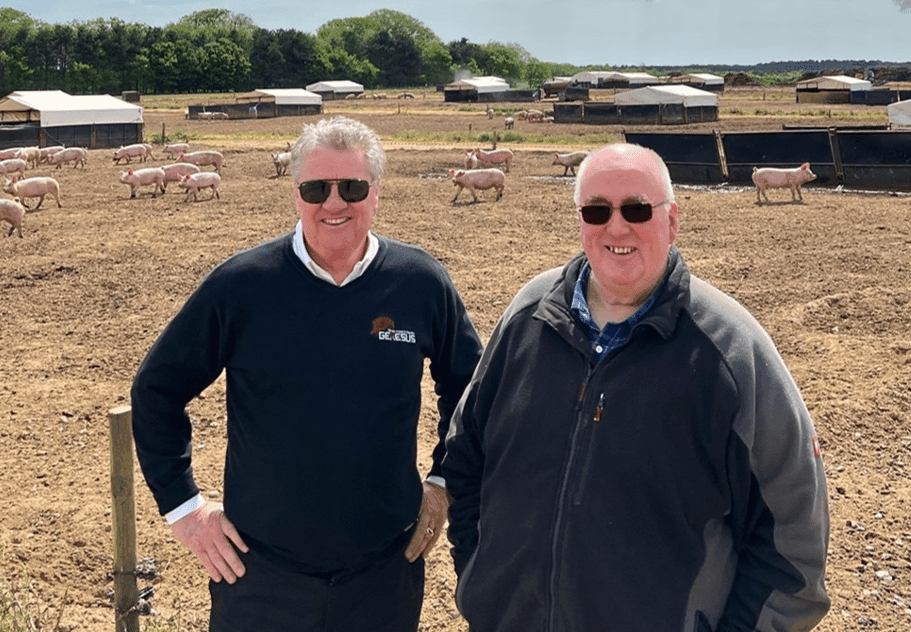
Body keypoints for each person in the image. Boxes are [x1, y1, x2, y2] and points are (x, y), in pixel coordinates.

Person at [442, 143, 830, 632]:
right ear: (580, 219)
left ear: (672, 222)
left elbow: (794, 534)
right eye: (597, 210)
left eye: (637, 209)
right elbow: (464, 455)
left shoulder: (731, 351)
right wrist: (480, 583)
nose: (616, 226)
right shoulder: (528, 317)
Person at [131, 116, 483, 632]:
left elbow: (471, 391)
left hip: (384, 571)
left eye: (352, 187)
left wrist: (442, 483)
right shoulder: (242, 286)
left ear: (376, 194)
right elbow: (156, 390)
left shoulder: (420, 283)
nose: (334, 203)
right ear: (296, 195)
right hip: (260, 573)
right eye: (316, 188)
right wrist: (185, 510)